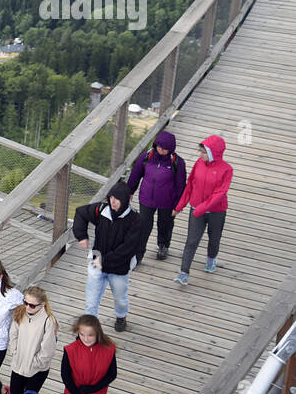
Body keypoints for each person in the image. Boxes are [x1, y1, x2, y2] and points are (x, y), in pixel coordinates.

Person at [72, 179, 140, 332]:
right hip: (97, 262)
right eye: (111, 198)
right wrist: (82, 236)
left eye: (116, 199)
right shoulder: (101, 210)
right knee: (91, 301)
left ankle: (121, 316)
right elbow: (80, 212)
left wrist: (105, 260)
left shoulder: (135, 220)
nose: (113, 202)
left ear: (124, 200)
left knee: (120, 299)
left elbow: (128, 249)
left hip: (119, 268)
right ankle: (90, 327)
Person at [174, 135, 233, 285]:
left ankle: (211, 260)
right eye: (200, 152)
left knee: (214, 239)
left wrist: (201, 209)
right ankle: (184, 272)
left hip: (216, 212)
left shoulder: (227, 170)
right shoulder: (198, 164)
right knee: (191, 241)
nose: (201, 155)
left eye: (204, 152)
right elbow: (190, 186)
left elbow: (219, 194)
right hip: (196, 210)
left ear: (214, 152)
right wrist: (179, 206)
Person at [127, 130, 186, 263]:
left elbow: (180, 185)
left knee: (165, 224)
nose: (161, 150)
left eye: (165, 148)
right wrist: (130, 191)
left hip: (167, 201)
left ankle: (163, 246)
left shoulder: (177, 162)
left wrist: (177, 205)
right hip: (146, 199)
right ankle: (137, 256)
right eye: (159, 146)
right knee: (143, 227)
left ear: (171, 149)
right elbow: (135, 174)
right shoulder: (146, 156)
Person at [4, 284, 58, 394]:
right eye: (25, 302)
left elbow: (47, 349)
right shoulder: (20, 312)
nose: (28, 307)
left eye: (32, 305)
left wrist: (35, 363)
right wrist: (15, 352)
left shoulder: (48, 321)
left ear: (42, 304)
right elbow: (13, 334)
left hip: (37, 369)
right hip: (19, 363)